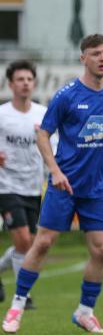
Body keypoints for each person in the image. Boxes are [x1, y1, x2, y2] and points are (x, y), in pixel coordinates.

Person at [2, 35, 103, 335]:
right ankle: (17, 305)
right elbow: (43, 134)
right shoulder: (67, 95)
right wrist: (55, 171)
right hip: (65, 184)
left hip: (98, 187)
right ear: (83, 58)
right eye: (96, 53)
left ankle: (85, 311)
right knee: (42, 242)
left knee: (102, 250)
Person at [0, 61, 48, 308]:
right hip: (5, 186)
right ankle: (23, 296)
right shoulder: (2, 114)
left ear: (34, 83)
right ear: (10, 84)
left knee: (28, 244)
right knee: (22, 242)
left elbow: (53, 145)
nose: (25, 83)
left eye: (29, 79)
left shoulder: (42, 114)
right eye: (20, 79)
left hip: (32, 186)